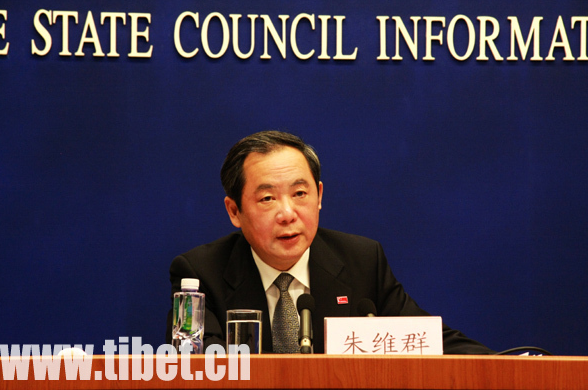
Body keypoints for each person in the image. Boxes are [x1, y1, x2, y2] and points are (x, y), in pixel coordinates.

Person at [166, 130, 494, 354]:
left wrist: (515, 366)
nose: (287, 213)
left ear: (319, 196)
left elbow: (428, 341)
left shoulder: (362, 260)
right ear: (234, 211)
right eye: (267, 198)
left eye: (300, 193)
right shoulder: (199, 274)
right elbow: (198, 368)